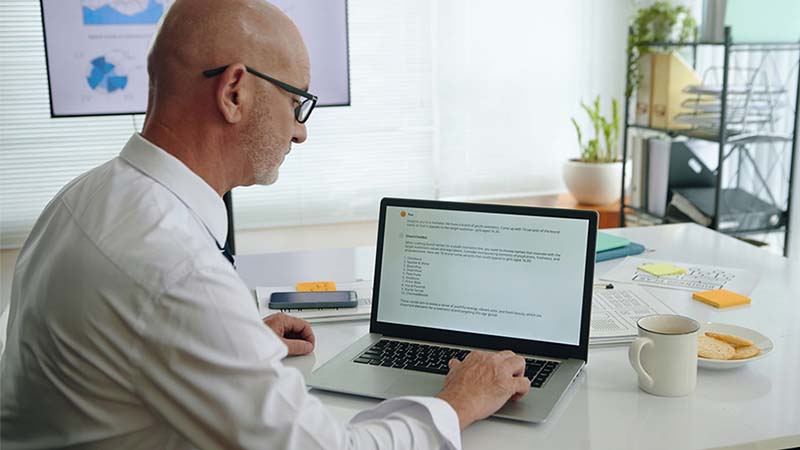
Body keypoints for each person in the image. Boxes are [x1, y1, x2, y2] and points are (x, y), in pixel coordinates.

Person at [0, 0, 531, 448]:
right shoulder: (175, 268)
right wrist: (456, 402)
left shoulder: (85, 197)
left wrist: (230, 344)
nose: (300, 134)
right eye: (296, 102)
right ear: (234, 92)